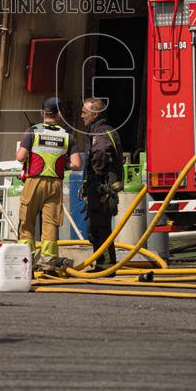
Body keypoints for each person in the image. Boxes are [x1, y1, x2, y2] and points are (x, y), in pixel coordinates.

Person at [15, 97, 82, 272]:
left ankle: (26, 262)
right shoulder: (67, 136)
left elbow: (20, 157)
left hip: (34, 181)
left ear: (42, 112)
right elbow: (77, 164)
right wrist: (60, 161)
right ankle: (49, 262)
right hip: (55, 184)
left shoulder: (32, 131)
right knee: (50, 224)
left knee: (27, 221)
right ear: (59, 114)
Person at [80, 97, 124, 270]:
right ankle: (102, 263)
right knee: (97, 227)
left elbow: (100, 153)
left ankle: (105, 266)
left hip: (101, 189)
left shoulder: (101, 131)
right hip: (101, 188)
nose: (82, 116)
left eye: (84, 112)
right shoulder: (101, 130)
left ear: (95, 114)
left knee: (99, 228)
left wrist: (96, 176)